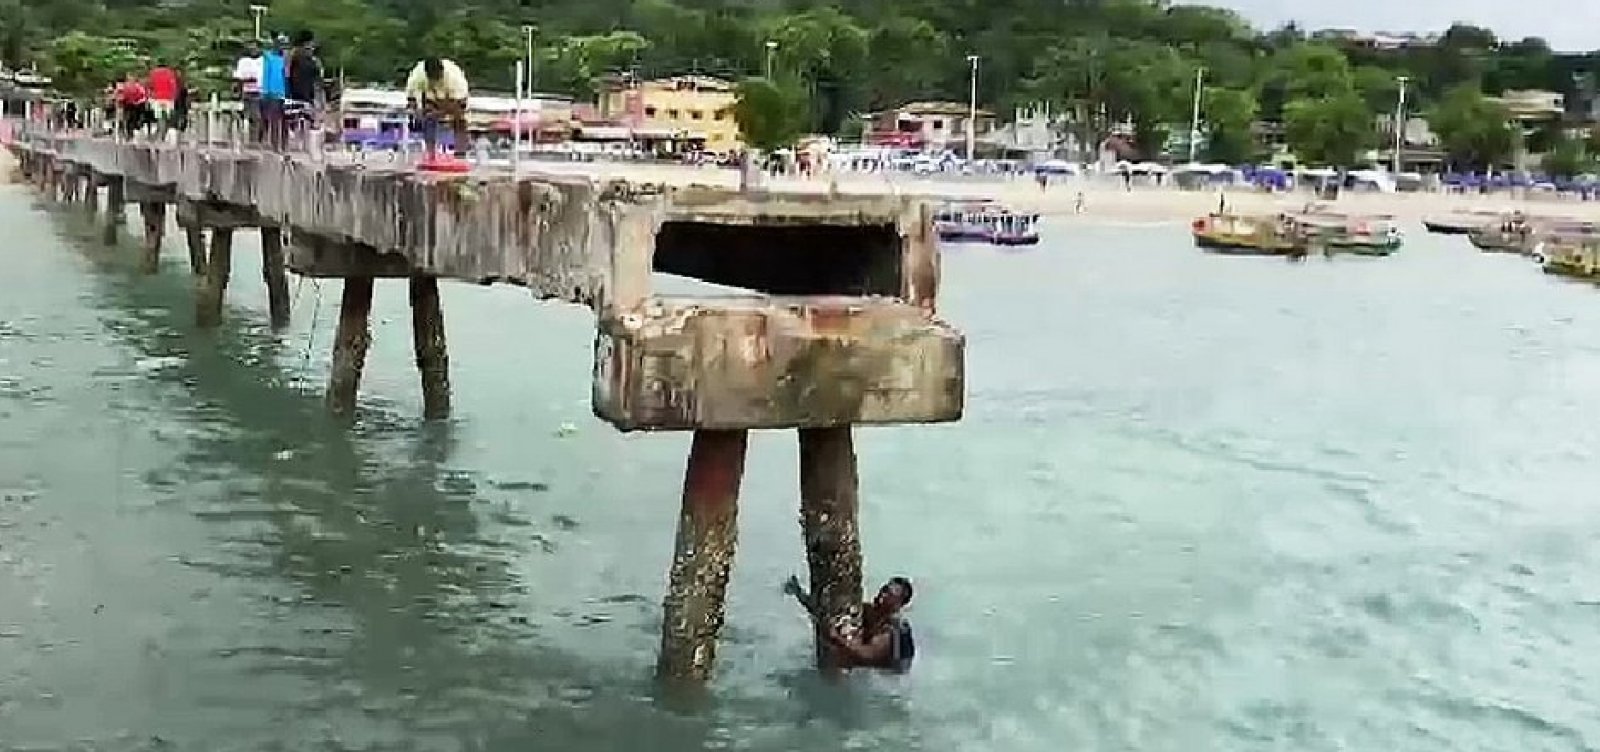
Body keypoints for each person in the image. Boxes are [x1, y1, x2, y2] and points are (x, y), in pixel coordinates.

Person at [785, 575, 915, 673]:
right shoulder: (869, 610)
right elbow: (827, 611)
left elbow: (868, 655)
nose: (883, 595)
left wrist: (836, 638)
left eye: (890, 595)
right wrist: (799, 593)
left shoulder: (889, 628)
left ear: (899, 604)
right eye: (884, 590)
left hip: (888, 674)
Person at [404, 56, 470, 159]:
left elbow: (459, 104)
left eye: (436, 77)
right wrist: (417, 112)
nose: (434, 80)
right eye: (431, 77)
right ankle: (431, 153)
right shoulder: (417, 75)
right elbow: (411, 97)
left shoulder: (455, 77)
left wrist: (440, 113)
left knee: (459, 120)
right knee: (428, 118)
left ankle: (460, 153)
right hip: (431, 96)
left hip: (452, 98)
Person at [286, 31, 324, 143]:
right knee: (303, 116)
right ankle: (302, 139)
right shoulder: (300, 56)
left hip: (300, 90)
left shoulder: (295, 54)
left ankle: (300, 138)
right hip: (301, 91)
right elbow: (318, 77)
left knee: (300, 116)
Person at [259, 35, 290, 150]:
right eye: (281, 44)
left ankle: (285, 145)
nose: (283, 47)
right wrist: (265, 91)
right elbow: (266, 74)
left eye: (285, 45)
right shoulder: (269, 58)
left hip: (286, 94)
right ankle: (275, 145)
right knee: (275, 121)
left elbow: (289, 76)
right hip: (273, 93)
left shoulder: (286, 59)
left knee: (286, 121)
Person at [114, 73, 151, 139]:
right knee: (129, 119)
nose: (131, 78)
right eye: (129, 77)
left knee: (133, 119)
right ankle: (130, 133)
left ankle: (133, 132)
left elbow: (143, 95)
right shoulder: (127, 85)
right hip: (128, 104)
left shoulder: (137, 86)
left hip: (135, 105)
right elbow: (121, 94)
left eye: (131, 77)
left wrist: (139, 101)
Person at [147, 63, 179, 137]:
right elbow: (173, 86)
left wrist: (150, 96)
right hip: (168, 98)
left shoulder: (153, 73)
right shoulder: (170, 73)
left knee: (159, 117)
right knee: (167, 117)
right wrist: (174, 96)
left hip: (157, 98)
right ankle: (163, 133)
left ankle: (159, 131)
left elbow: (150, 85)